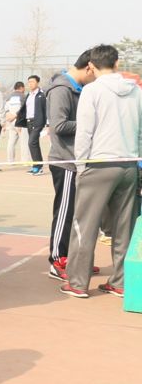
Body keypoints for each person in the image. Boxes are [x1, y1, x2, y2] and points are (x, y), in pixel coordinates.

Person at [61, 45, 141, 298]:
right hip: (129, 164)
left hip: (98, 165)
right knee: (124, 227)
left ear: (91, 66)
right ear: (117, 64)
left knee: (84, 225)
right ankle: (120, 282)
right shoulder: (136, 91)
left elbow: (85, 132)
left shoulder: (92, 90)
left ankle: (77, 283)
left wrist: (81, 166)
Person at [45, 52, 95, 279]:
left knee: (78, 214)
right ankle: (57, 260)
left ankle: (75, 259)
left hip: (80, 160)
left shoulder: (79, 89)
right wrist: (91, 122)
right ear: (89, 68)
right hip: (65, 161)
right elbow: (59, 126)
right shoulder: (61, 89)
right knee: (64, 213)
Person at [18, 75, 47, 175]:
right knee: (34, 143)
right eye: (29, 82)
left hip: (37, 122)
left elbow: (46, 109)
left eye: (32, 82)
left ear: (37, 83)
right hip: (29, 122)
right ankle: (37, 166)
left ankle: (38, 166)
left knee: (32, 143)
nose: (30, 84)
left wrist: (47, 124)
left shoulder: (41, 95)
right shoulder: (28, 95)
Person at [5, 81, 29, 165]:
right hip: (20, 121)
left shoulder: (9, 96)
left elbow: (6, 108)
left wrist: (9, 116)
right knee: (24, 142)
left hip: (10, 121)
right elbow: (23, 109)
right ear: (21, 88)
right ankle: (25, 161)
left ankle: (10, 161)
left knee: (11, 142)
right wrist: (15, 116)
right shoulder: (23, 96)